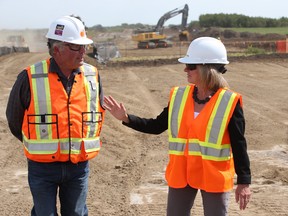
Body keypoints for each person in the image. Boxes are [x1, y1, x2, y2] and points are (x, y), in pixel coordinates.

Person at [104, 37, 251, 216]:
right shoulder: (179, 96)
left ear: (206, 69)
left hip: (213, 176)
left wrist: (244, 181)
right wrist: (127, 118)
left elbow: (239, 143)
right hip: (181, 175)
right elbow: (157, 126)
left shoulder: (229, 101)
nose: (185, 69)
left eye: (190, 66)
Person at [6, 15, 105, 216]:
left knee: (76, 213)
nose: (83, 52)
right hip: (42, 168)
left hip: (78, 166)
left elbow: (97, 114)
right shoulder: (30, 77)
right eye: (76, 47)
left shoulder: (92, 75)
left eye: (84, 46)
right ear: (57, 49)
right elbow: (14, 120)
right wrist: (40, 145)